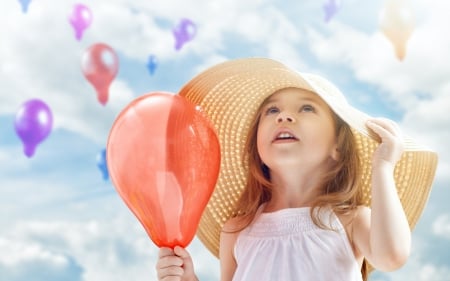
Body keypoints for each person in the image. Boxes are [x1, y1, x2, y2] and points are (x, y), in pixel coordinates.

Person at [155, 58, 438, 281]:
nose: (285, 116)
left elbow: (392, 257)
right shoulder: (237, 230)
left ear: (337, 148)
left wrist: (383, 167)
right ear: (258, 149)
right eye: (271, 111)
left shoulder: (350, 220)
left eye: (306, 109)